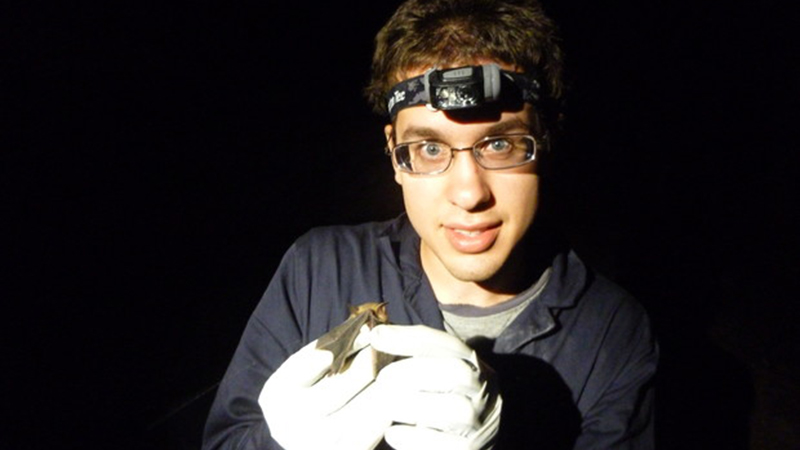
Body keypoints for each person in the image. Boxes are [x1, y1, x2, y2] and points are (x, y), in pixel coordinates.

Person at [203, 0, 658, 448]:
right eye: (430, 149)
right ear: (395, 155)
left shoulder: (612, 330)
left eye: (499, 144)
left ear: (545, 142)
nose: (469, 193)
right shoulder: (320, 269)